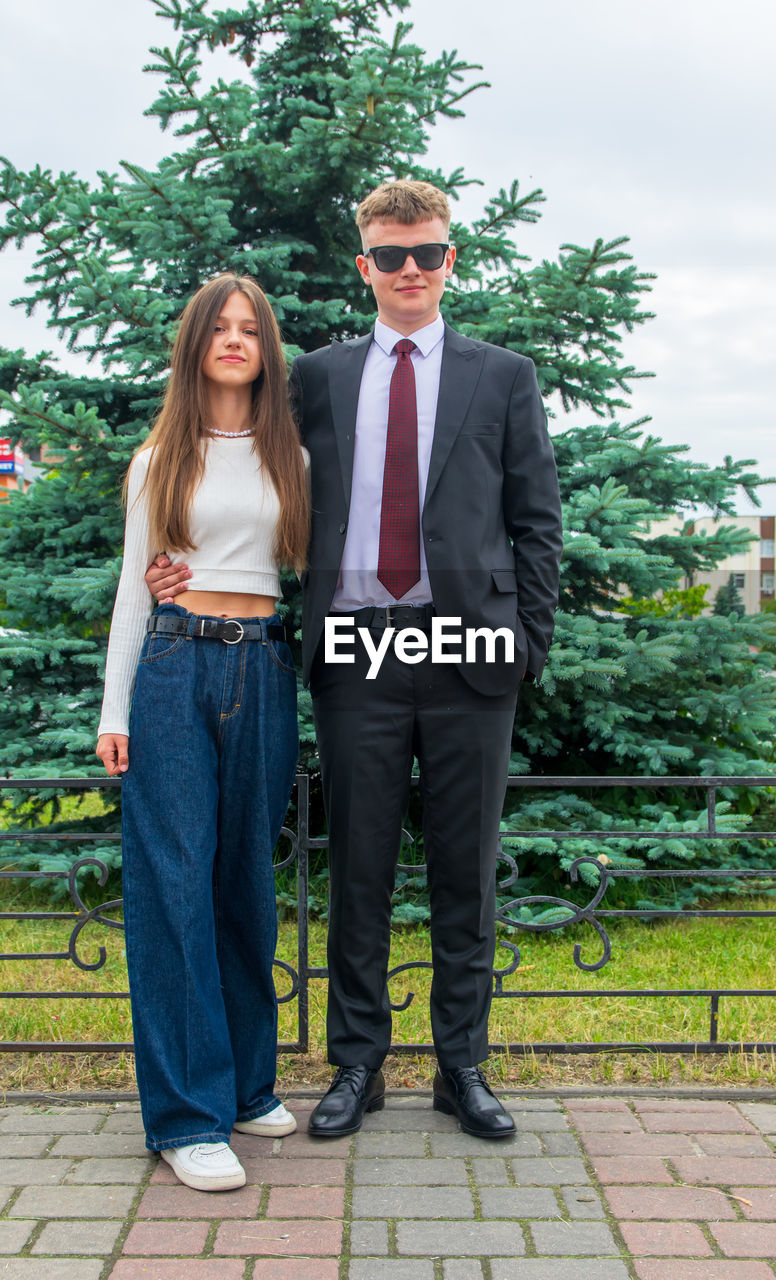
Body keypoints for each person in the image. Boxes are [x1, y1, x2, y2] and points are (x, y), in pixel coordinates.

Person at [147, 180, 562, 1141]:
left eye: (425, 253)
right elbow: (241, 462)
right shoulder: (322, 378)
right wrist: (177, 555)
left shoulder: (503, 376)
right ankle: (358, 1066)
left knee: (466, 866)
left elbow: (536, 522)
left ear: (449, 259)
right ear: (363, 263)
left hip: (473, 654)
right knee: (360, 870)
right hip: (357, 650)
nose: (408, 270)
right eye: (389, 255)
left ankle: (462, 1066)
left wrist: (526, 646)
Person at [96, 274, 310, 1191]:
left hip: (261, 667)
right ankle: (185, 1118)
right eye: (218, 328)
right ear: (196, 345)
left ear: (266, 350)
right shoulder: (161, 459)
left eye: (248, 329)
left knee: (241, 885)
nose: (233, 340)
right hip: (176, 670)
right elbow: (131, 593)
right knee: (172, 888)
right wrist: (114, 710)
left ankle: (247, 1086)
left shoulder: (290, 456)